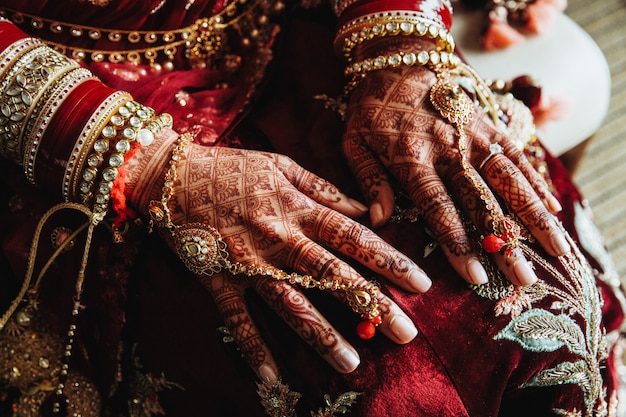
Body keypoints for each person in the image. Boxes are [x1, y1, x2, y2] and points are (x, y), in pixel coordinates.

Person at [0, 0, 623, 416]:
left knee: (537, 299)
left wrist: (397, 38)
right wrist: (150, 166)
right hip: (68, 112)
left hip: (288, 33)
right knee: (376, 385)